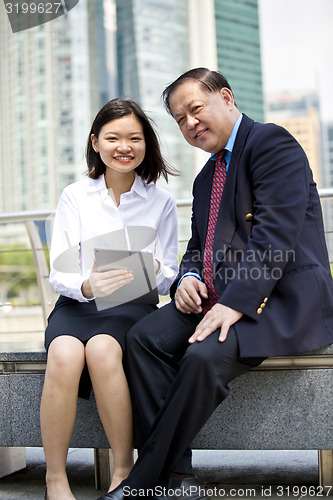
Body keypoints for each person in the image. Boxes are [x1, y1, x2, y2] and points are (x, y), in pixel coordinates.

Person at [96, 68, 333, 500]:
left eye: (196, 109)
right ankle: (179, 476)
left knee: (203, 356)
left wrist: (235, 303)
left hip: (277, 299)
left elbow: (274, 237)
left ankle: (145, 480)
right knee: (143, 337)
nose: (190, 123)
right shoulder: (208, 175)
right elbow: (197, 245)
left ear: (226, 97)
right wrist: (187, 277)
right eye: (180, 119)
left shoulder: (270, 143)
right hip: (215, 296)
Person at [40, 97, 179, 500]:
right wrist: (86, 287)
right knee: (64, 353)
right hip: (78, 304)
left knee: (103, 350)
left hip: (132, 307)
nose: (125, 146)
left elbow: (170, 274)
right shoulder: (75, 196)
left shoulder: (161, 201)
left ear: (146, 145)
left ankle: (124, 469)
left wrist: (155, 269)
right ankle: (55, 479)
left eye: (135, 138)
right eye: (114, 137)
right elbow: (61, 273)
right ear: (95, 142)